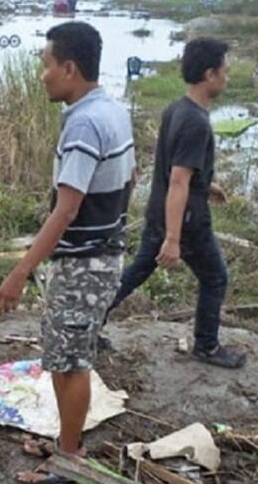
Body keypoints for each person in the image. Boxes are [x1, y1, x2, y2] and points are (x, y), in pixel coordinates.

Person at [0, 22, 136, 484]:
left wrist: (19, 273)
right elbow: (130, 180)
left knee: (70, 361)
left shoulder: (85, 123)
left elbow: (66, 209)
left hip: (84, 262)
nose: (42, 75)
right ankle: (67, 442)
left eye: (46, 65)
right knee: (67, 353)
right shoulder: (112, 109)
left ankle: (70, 459)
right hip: (103, 253)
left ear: (69, 69)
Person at [103, 39, 245, 369]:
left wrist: (207, 185)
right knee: (215, 278)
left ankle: (87, 324)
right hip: (186, 220)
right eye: (225, 71)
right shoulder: (195, 121)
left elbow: (177, 170)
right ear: (209, 74)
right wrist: (173, 238)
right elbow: (179, 180)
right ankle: (207, 347)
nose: (228, 78)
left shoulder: (176, 109)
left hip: (160, 210)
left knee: (137, 271)